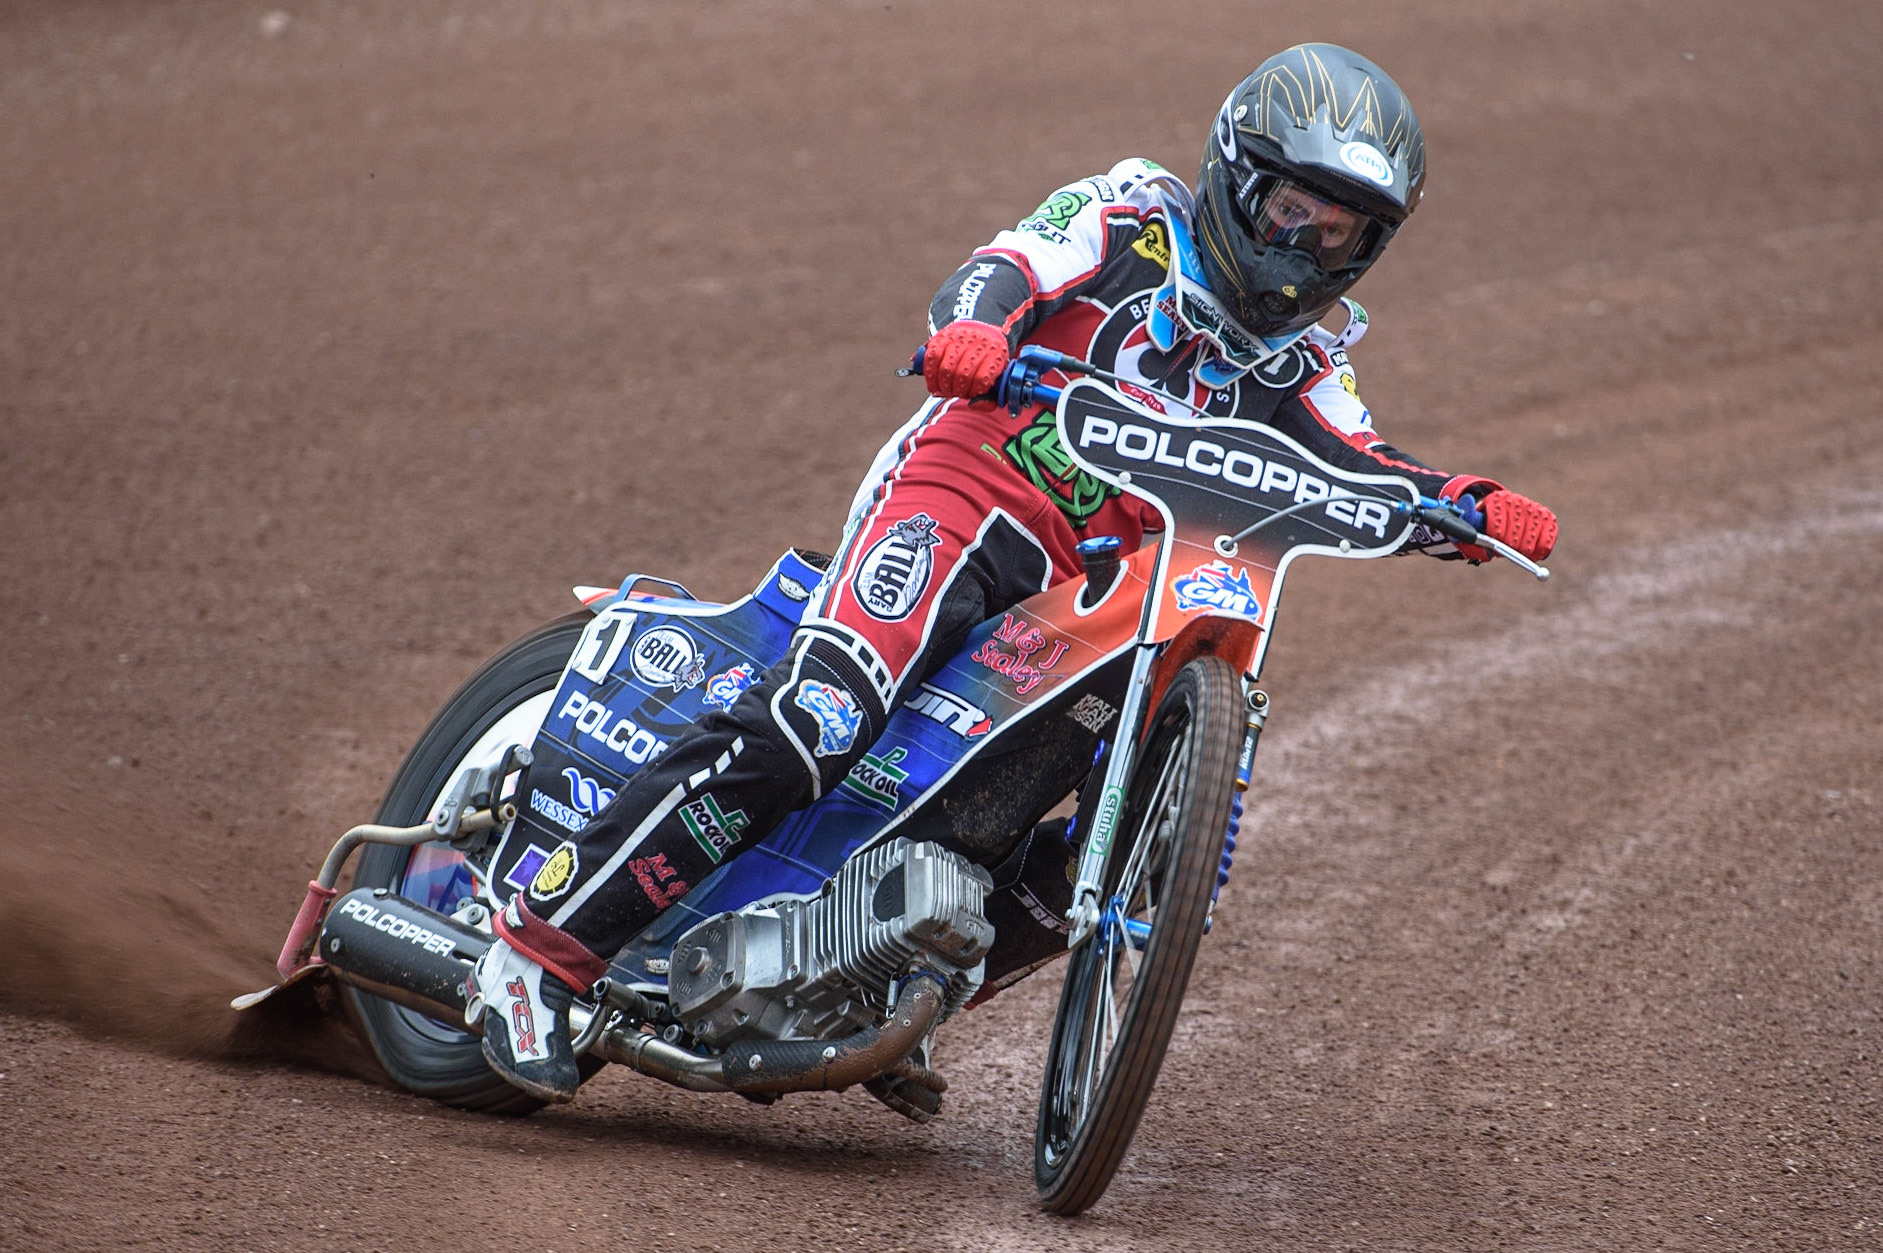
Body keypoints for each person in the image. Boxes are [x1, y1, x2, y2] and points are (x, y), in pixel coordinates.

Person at [463, 42, 1560, 1102]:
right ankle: (535, 950)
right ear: (1235, 176)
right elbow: (1000, 271)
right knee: (820, 716)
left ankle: (879, 984)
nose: (1301, 252)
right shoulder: (1128, 215)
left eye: (1340, 233)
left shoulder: (1306, 362)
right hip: (962, 501)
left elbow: (1363, 463)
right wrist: (973, 331)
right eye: (1289, 213)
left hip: (1080, 597)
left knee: (1080, 837)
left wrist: (1463, 506)